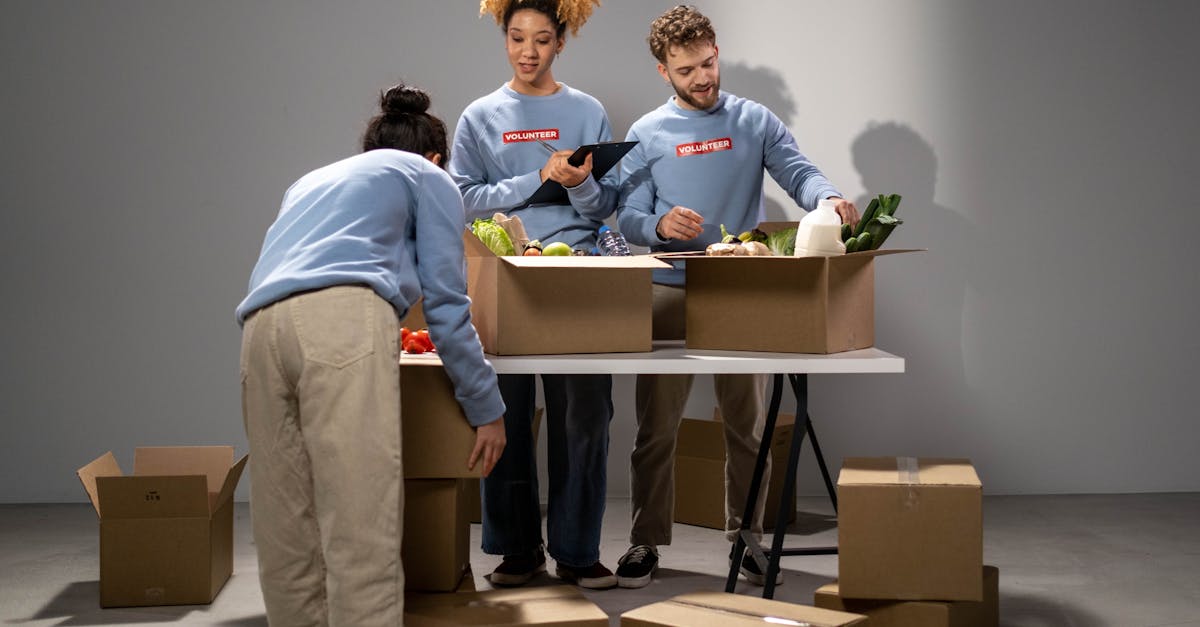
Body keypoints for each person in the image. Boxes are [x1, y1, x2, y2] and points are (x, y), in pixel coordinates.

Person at [236, 84, 506, 626]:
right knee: (362, 522)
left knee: (287, 524)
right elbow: (448, 307)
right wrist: (487, 408)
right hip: (340, 322)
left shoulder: (310, 182)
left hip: (260, 330)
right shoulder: (429, 177)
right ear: (435, 156)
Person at [613, 5, 860, 589]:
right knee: (657, 427)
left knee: (747, 426)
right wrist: (657, 225)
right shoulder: (646, 133)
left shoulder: (753, 120)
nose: (702, 77)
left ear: (716, 51)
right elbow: (627, 215)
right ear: (662, 72)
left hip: (739, 291)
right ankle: (645, 542)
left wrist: (830, 200)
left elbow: (800, 173)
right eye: (686, 70)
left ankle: (745, 541)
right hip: (668, 288)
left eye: (708, 62)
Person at [449, 0, 617, 590]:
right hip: (504, 276)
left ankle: (577, 551)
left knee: (585, 417)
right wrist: (539, 178)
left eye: (542, 40)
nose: (528, 51)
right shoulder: (479, 116)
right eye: (517, 38)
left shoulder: (586, 110)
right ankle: (517, 549)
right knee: (506, 415)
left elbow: (606, 209)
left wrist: (584, 183)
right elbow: (463, 199)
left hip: (577, 277)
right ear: (504, 39)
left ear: (560, 44)